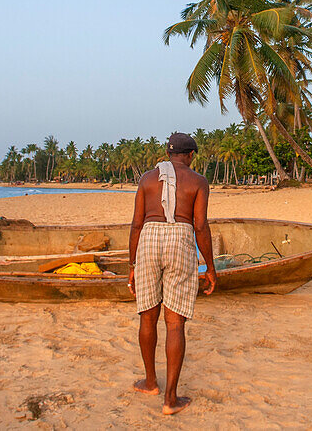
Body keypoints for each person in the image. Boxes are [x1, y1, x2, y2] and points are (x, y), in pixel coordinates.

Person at [128, 132, 217, 415]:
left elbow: (136, 225)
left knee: (147, 315)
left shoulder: (146, 179)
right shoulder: (198, 182)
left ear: (168, 154)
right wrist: (210, 267)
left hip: (149, 239)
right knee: (175, 323)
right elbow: (200, 226)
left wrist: (132, 266)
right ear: (191, 155)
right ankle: (170, 399)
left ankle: (151, 382)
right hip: (181, 237)